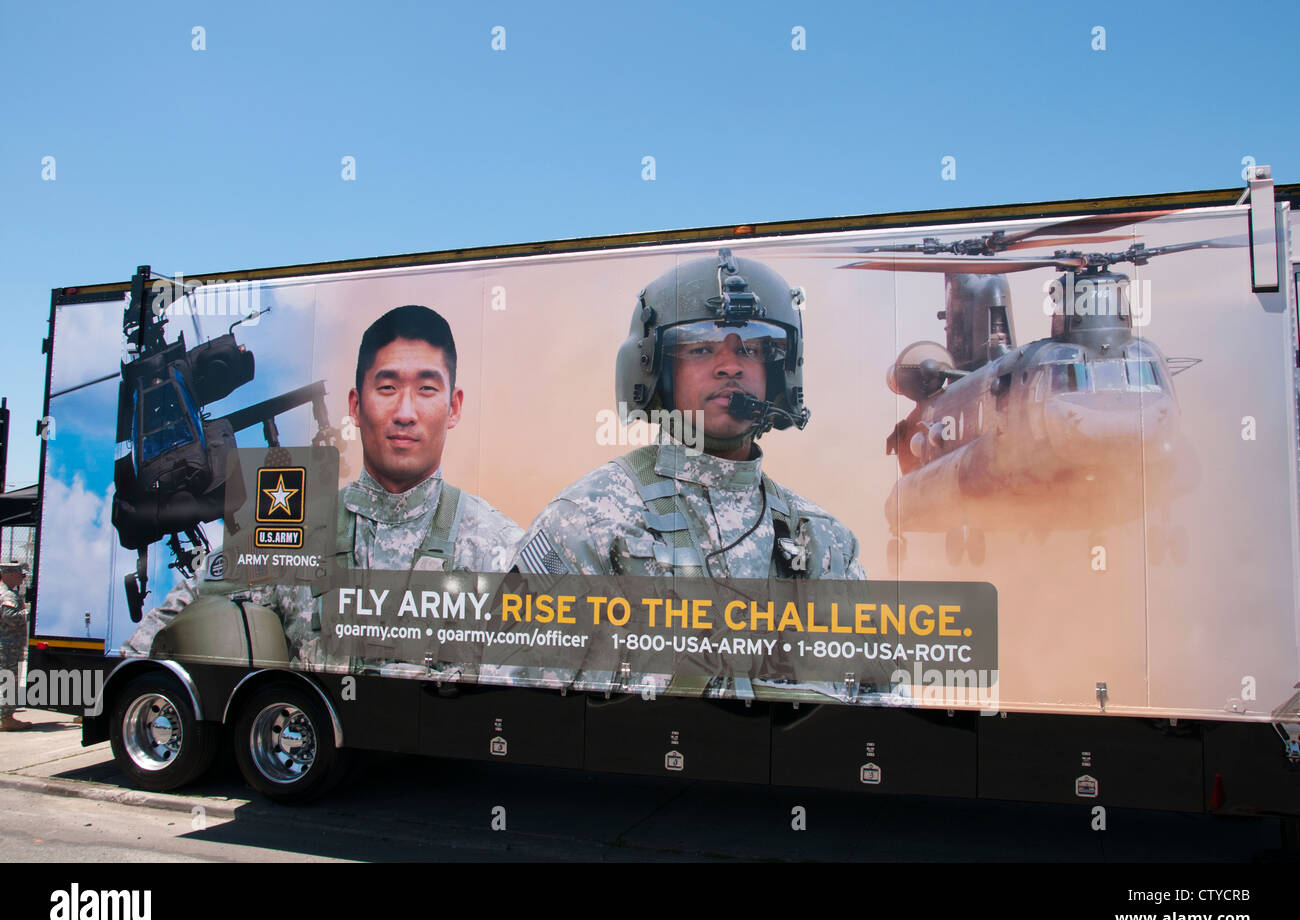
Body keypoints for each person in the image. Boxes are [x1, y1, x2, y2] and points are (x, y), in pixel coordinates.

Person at [505, 250, 885, 702]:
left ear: (779, 370)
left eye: (750, 348)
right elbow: (509, 692)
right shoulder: (585, 522)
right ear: (655, 370)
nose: (730, 365)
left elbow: (883, 707)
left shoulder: (827, 545)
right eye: (701, 348)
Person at [123, 306, 522, 673]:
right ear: (355, 405)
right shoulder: (289, 537)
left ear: (453, 407)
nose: (405, 413)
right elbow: (165, 623)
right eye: (386, 388)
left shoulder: (498, 550)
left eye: (427, 389)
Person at [0, 559, 33, 730]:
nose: (22, 578)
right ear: (9, 574)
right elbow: (10, 615)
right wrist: (27, 612)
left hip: (7, 645)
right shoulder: (8, 595)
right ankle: (6, 719)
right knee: (8, 681)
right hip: (8, 647)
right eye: (20, 575)